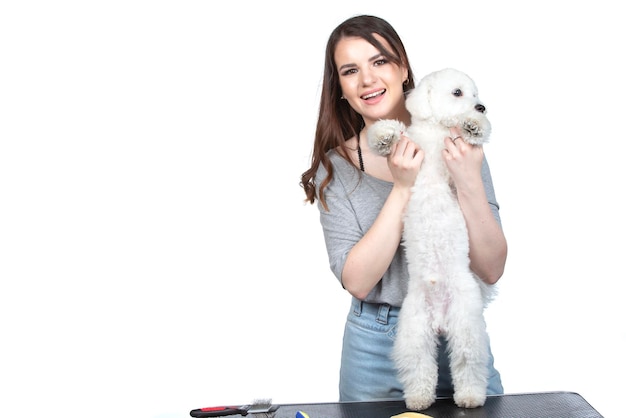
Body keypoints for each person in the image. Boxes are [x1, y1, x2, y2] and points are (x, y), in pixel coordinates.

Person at [300, 15, 508, 402]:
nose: (367, 80)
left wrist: (467, 180)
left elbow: (492, 268)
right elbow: (358, 281)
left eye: (379, 62)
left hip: (461, 319)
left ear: (403, 69)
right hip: (374, 348)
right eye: (350, 70)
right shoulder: (336, 169)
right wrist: (401, 187)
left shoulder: (459, 145)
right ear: (341, 89)